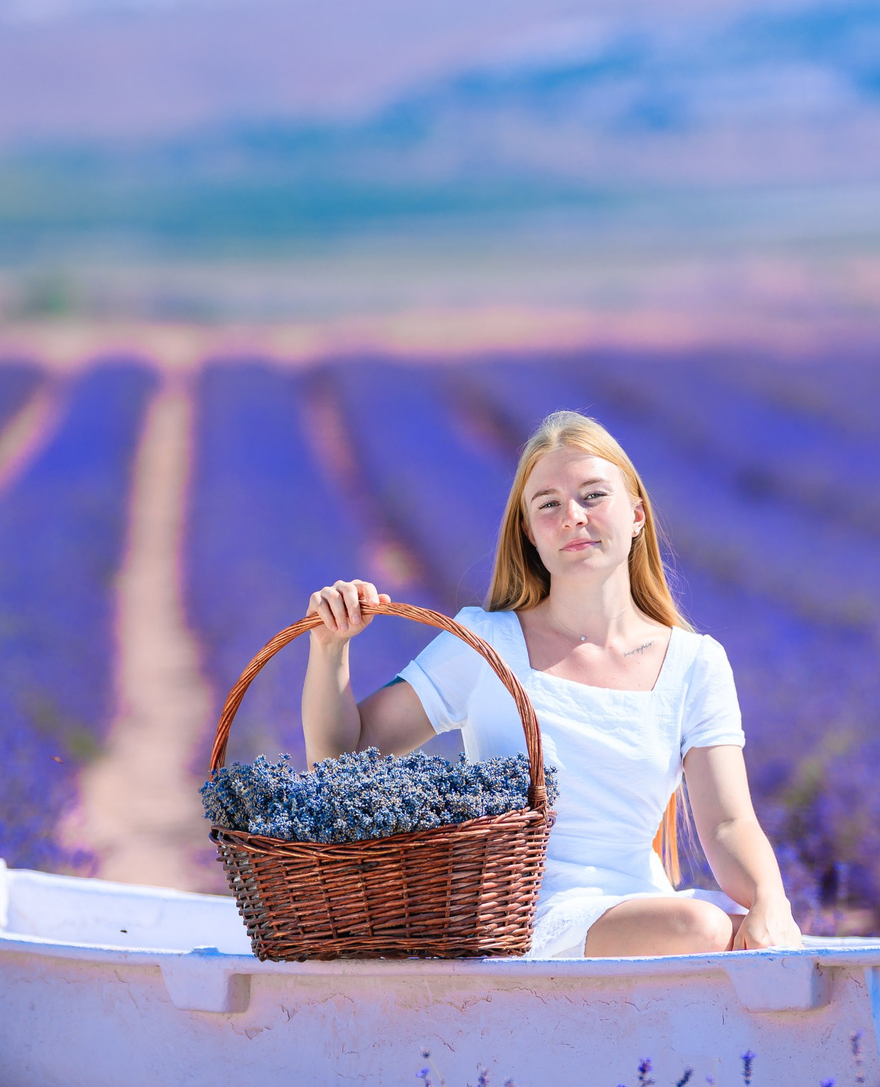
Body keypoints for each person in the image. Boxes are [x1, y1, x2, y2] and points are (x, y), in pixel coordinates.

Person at [299, 409, 802, 959]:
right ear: (530, 533)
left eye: (592, 496)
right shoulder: (485, 642)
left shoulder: (696, 663)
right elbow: (339, 760)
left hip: (643, 914)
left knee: (740, 926)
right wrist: (330, 649)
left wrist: (772, 901)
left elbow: (729, 824)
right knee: (704, 930)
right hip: (516, 918)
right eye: (549, 505)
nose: (572, 517)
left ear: (636, 515)